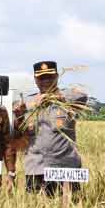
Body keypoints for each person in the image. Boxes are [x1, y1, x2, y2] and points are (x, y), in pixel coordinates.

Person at [13, 60, 86, 195]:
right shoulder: (27, 103)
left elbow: (83, 96)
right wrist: (20, 115)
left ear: (57, 77)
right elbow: (18, 133)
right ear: (35, 79)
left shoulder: (69, 98)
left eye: (49, 77)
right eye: (41, 78)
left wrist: (55, 97)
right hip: (36, 166)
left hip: (65, 165)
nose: (45, 81)